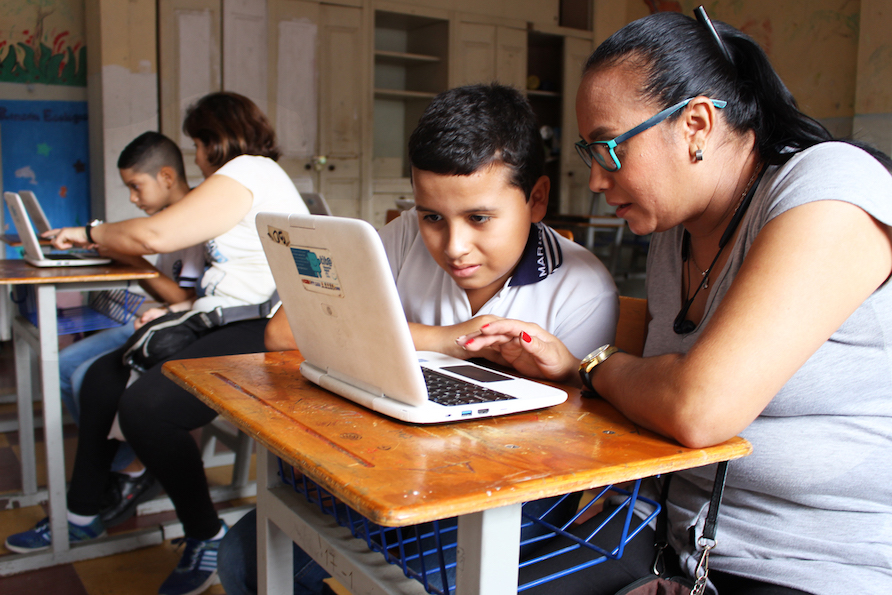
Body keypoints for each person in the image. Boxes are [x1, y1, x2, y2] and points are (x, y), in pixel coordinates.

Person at [456, 10, 892, 595]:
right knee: (467, 578)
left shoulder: (831, 188)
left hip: (810, 563)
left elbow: (698, 408)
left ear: (695, 125)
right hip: (671, 538)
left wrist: (593, 366)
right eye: (591, 153)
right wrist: (568, 367)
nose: (595, 181)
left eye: (609, 149)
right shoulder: (674, 231)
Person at [217, 82, 620, 595]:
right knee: (243, 558)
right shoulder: (406, 234)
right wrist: (447, 340)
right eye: (433, 216)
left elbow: (573, 455)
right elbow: (281, 331)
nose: (454, 247)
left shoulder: (581, 288)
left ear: (536, 199)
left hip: (503, 498)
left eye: (479, 218)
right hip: (391, 467)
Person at [5, 91, 309, 595]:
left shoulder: (251, 171)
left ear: (214, 140)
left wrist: (87, 233)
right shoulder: (235, 181)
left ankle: (205, 533)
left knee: (147, 408)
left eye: (196, 143)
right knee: (103, 378)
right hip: (221, 315)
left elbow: (155, 236)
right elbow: (218, 279)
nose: (195, 155)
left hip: (264, 325)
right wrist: (176, 310)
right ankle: (82, 511)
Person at [57, 131, 205, 526]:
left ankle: (130, 465)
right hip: (156, 316)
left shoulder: (193, 221)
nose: (133, 199)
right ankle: (130, 462)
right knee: (65, 365)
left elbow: (181, 294)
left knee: (84, 377)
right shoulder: (166, 222)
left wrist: (131, 255)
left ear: (167, 177)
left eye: (136, 187)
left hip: (173, 327)